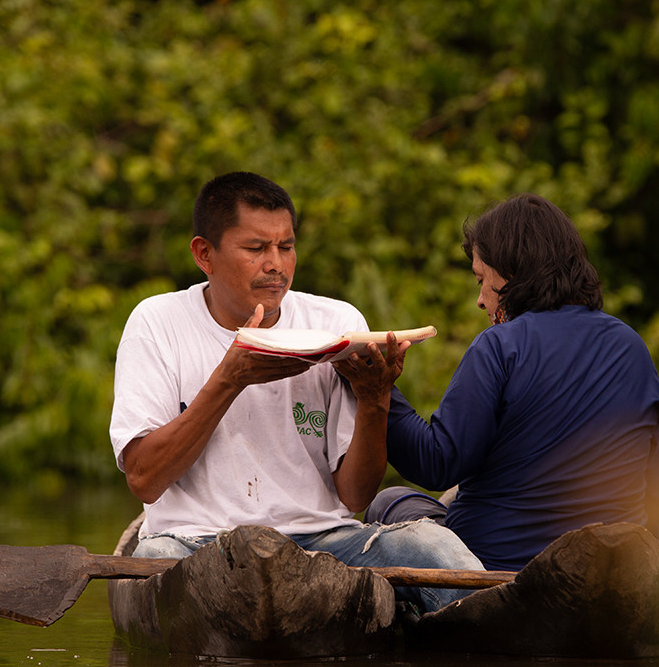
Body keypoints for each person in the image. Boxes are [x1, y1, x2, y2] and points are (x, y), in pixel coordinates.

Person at [109, 172, 484, 612]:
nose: (276, 265)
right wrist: (230, 379)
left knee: (430, 544)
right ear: (204, 254)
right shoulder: (157, 323)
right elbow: (144, 479)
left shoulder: (335, 323)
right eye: (256, 249)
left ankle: (494, 630)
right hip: (194, 542)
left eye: (286, 247)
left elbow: (355, 497)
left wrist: (374, 400)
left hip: (321, 544)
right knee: (153, 555)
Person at [369, 192, 659, 580]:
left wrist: (378, 391)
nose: (480, 300)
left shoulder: (500, 346)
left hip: (494, 570)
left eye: (482, 280)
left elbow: (438, 463)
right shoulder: (631, 345)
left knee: (392, 501)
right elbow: (654, 484)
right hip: (613, 567)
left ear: (511, 271)